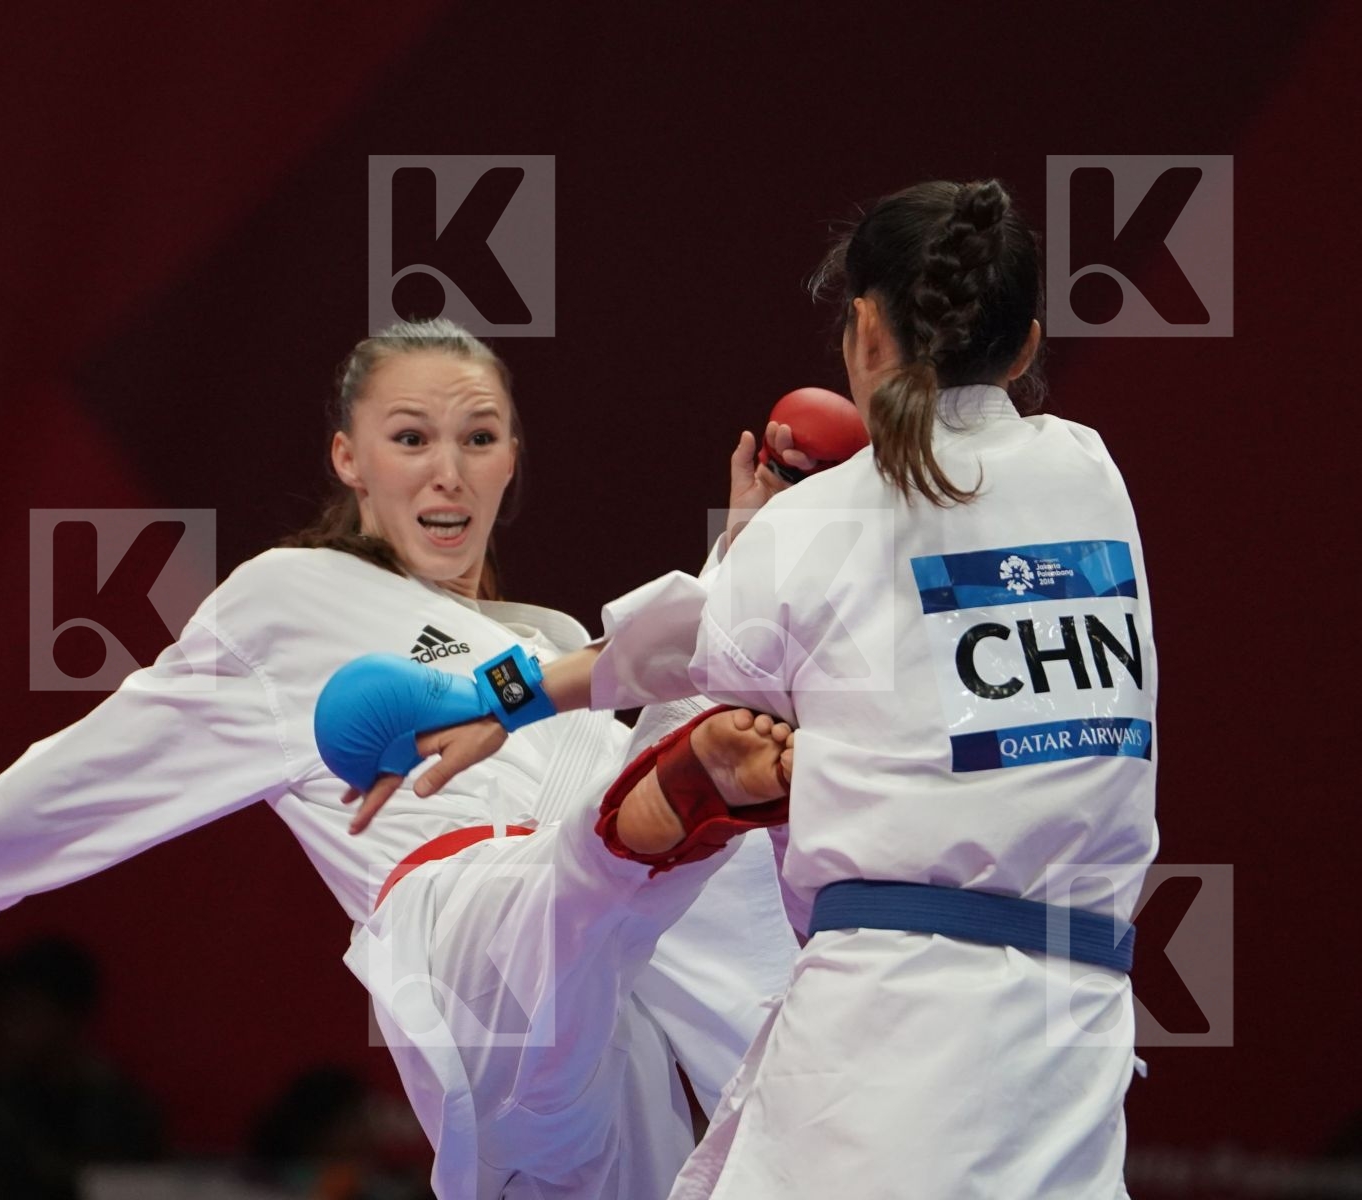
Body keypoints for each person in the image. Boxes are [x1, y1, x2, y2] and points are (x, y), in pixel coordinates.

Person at [0, 319, 803, 1200]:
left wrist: (747, 553)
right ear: (349, 458)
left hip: (634, 973)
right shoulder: (288, 599)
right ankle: (635, 839)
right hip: (468, 926)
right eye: (410, 439)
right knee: (565, 913)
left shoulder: (546, 637)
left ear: (509, 462)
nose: (447, 470)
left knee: (739, 1110)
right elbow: (86, 780)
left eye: (478, 439)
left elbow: (662, 712)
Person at [348, 181, 1157, 1198]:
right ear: (1029, 345)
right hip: (1073, 1049)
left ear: (864, 334)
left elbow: (664, 652)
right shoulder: (1093, 477)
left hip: (891, 1036)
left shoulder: (818, 527)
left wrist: (500, 693)